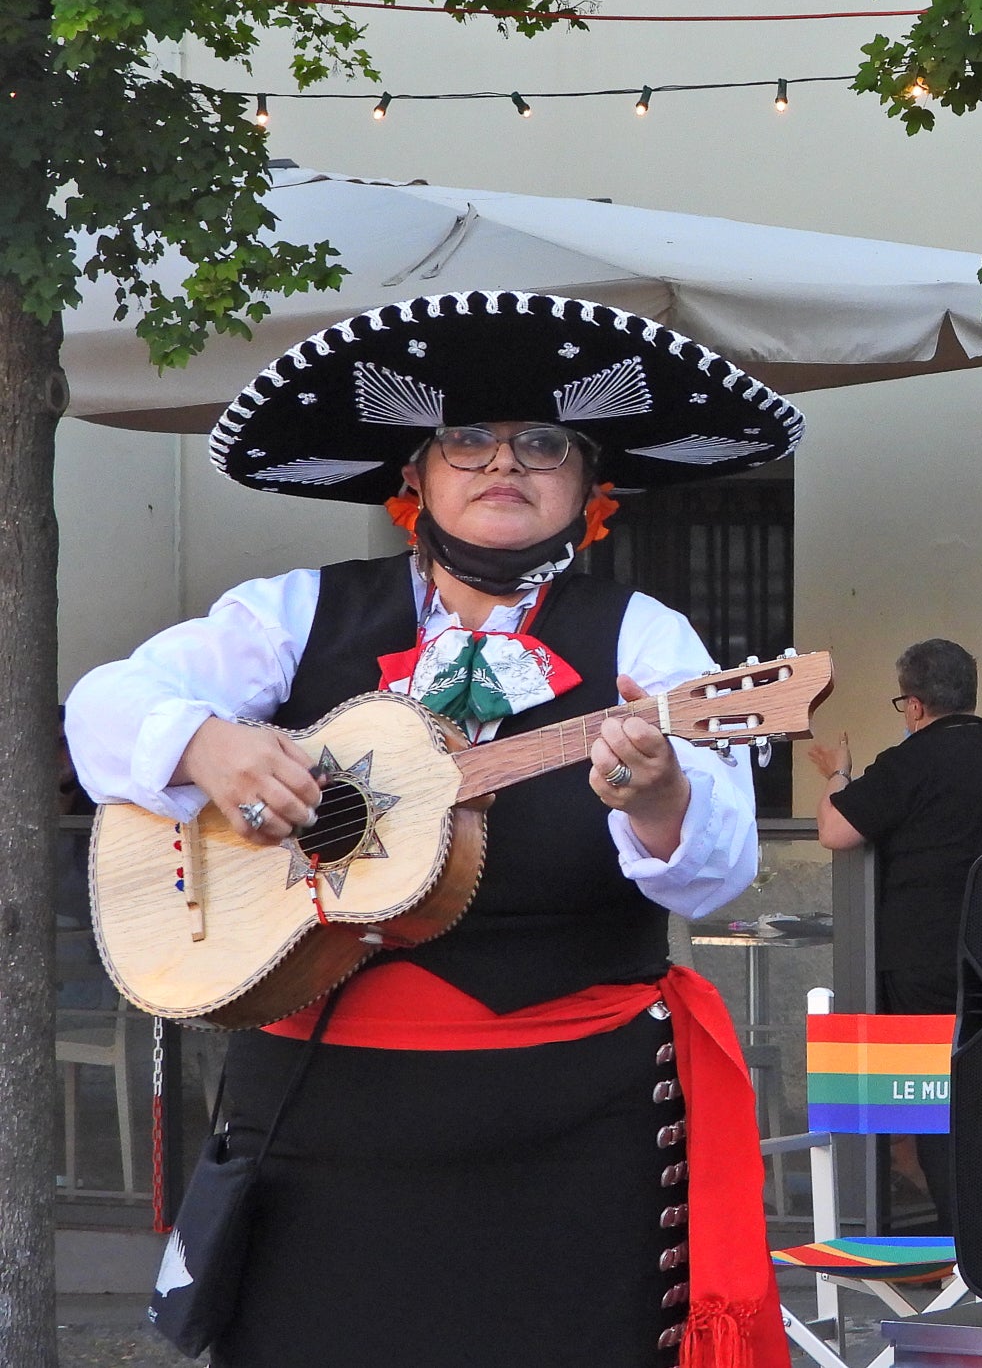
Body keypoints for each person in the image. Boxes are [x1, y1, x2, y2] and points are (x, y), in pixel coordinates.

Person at [67, 290, 807, 1368]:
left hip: (569, 1143)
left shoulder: (648, 638)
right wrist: (202, 747)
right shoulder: (292, 611)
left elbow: (715, 872)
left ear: (592, 487)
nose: (503, 462)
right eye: (466, 440)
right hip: (319, 1141)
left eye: (543, 443)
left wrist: (657, 800)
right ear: (412, 478)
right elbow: (100, 704)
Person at [806, 637, 982, 1226]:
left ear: (916, 705)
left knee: (931, 1105)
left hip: (926, 961)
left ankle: (957, 1242)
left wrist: (838, 773)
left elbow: (835, 831)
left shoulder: (910, 761)